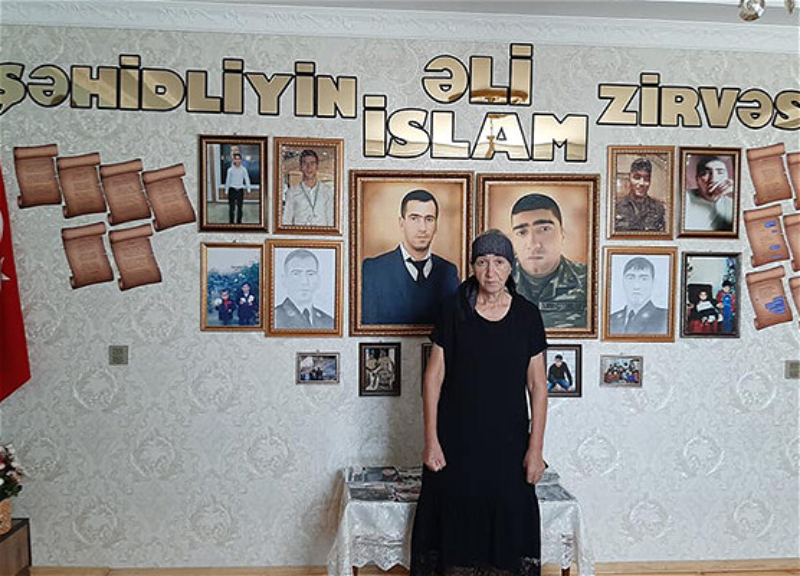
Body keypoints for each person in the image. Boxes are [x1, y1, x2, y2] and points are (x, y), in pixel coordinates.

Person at [411, 229, 548, 576]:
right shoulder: (452, 310)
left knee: (508, 537)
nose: (490, 272)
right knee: (453, 537)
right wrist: (431, 441)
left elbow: (538, 386)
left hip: (509, 447)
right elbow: (432, 378)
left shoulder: (527, 316)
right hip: (455, 445)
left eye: (499, 262)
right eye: (482, 262)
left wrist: (535, 449)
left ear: (511, 267)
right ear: (472, 266)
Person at [361, 189, 460, 325]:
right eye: (414, 218)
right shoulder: (373, 270)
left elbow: (455, 324)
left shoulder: (449, 272)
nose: (422, 228)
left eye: (429, 219)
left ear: (436, 226)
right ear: (402, 223)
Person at [510, 193, 587, 330]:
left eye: (544, 229)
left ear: (562, 234)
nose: (533, 244)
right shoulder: (493, 282)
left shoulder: (589, 281)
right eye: (522, 232)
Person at [274, 249, 334, 329]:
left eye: (310, 274)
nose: (304, 281)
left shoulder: (329, 322)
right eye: (296, 274)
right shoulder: (274, 318)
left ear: (318, 279)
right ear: (284, 280)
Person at [609, 257, 668, 335]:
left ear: (653, 282)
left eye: (644, 279)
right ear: (623, 281)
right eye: (630, 278)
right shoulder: (611, 320)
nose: (636, 286)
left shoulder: (665, 319)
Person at [282, 149, 334, 227]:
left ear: (317, 167)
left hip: (321, 234)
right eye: (305, 163)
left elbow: (331, 220)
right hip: (300, 234)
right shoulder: (292, 192)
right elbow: (286, 221)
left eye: (312, 163)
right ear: (300, 167)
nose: (309, 167)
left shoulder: (327, 191)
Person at [614, 157, 666, 232]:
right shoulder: (616, 207)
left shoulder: (658, 209)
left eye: (646, 179)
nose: (642, 183)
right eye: (637, 177)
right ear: (629, 178)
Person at [684, 155, 735, 232]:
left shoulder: (732, 204)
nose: (713, 179)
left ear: (727, 178)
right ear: (697, 179)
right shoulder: (685, 197)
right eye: (705, 173)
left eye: (720, 172)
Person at [225, 153, 251, 224]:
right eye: (236, 159)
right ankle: (231, 223)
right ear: (233, 160)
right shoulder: (230, 170)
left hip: (240, 190)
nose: (237, 160)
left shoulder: (243, 170)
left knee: (240, 208)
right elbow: (228, 180)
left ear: (241, 160)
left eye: (239, 159)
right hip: (232, 190)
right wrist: (226, 190)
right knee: (231, 208)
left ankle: (239, 223)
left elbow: (247, 179)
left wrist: (248, 189)